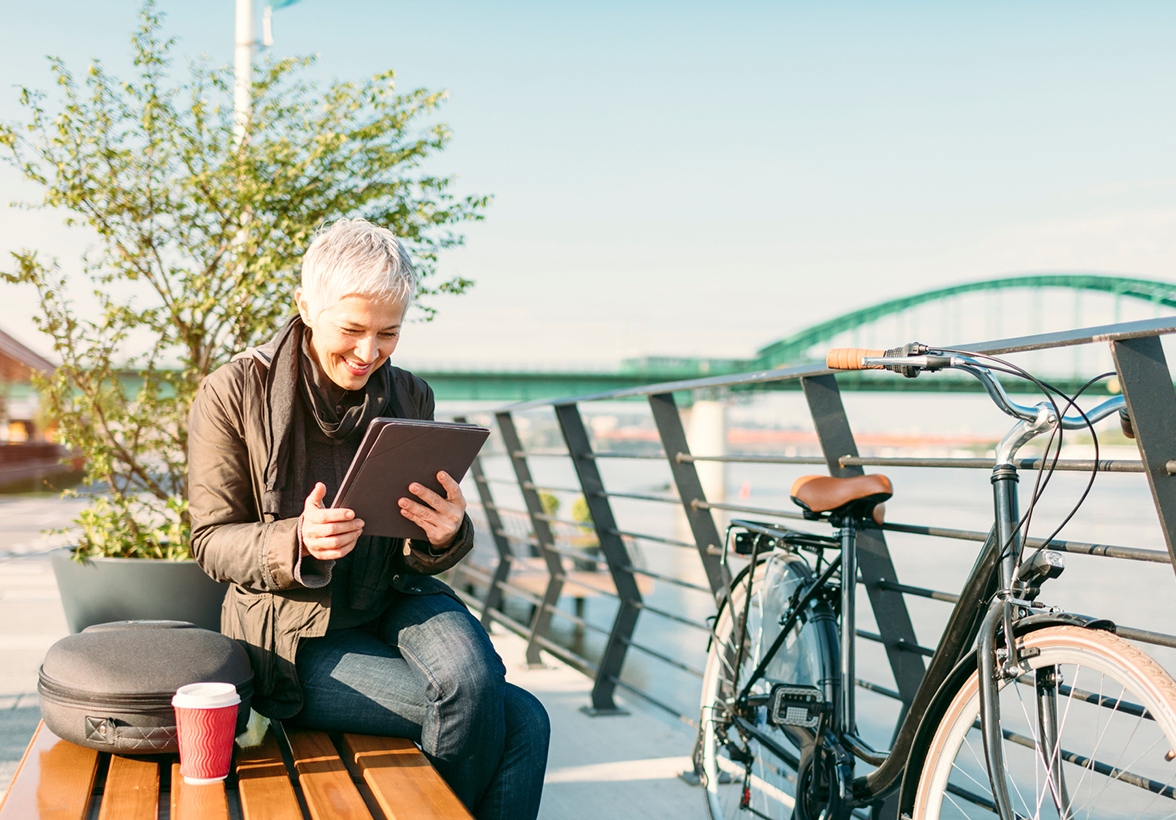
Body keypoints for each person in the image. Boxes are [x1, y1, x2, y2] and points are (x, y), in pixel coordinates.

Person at [188, 218, 549, 819]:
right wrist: (295, 541)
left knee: (491, 693)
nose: (368, 353)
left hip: (390, 596)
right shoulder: (231, 393)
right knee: (518, 720)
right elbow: (211, 540)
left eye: (389, 333)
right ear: (306, 306)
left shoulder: (412, 395)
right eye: (352, 329)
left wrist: (446, 532)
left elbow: (419, 543)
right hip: (289, 631)